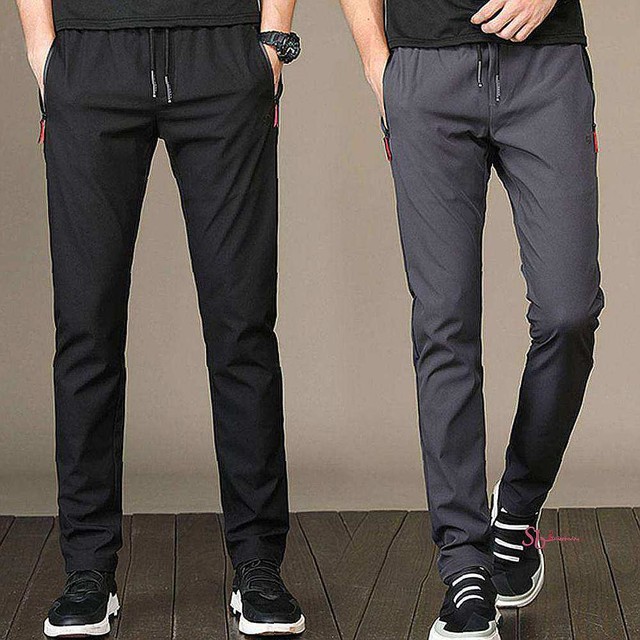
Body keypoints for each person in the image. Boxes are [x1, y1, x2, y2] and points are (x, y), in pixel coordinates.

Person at [15, 0, 305, 635]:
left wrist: (273, 39)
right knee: (86, 328)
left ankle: (259, 563)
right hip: (91, 54)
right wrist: (43, 50)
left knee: (242, 325)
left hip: (222, 50)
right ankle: (87, 570)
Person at [339, 0, 603, 637]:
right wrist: (378, 63)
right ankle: (464, 567)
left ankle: (516, 511)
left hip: (546, 65)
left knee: (568, 311)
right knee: (444, 323)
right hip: (426, 72)